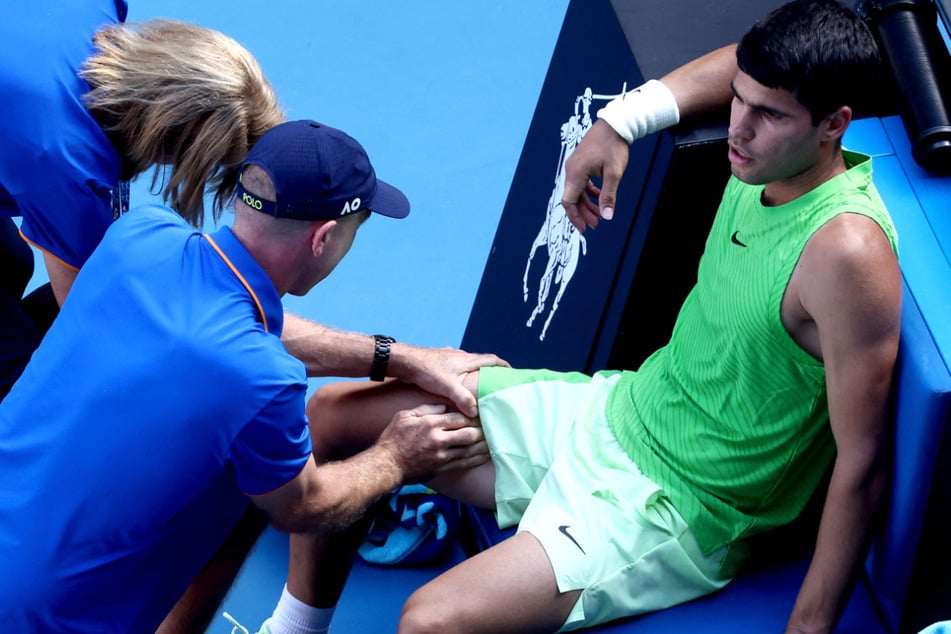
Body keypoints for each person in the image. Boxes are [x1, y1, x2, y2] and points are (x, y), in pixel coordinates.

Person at [246, 1, 902, 633]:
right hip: (614, 411)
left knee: (430, 621)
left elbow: (862, 462)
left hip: (671, 508)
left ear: (832, 124)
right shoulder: (764, 144)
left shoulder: (843, 253)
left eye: (767, 115)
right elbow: (735, 62)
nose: (737, 126)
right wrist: (617, 123)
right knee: (329, 419)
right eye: (739, 99)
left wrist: (808, 629)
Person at [0, 119, 498, 633]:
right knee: (260, 475)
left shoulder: (141, 236)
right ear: (325, 238)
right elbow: (303, 507)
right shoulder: (263, 381)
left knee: (238, 463)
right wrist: (396, 457)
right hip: (47, 621)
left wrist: (401, 357)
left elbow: (236, 332)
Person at [0, 0, 285, 399]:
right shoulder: (68, 164)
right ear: (165, 137)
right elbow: (89, 318)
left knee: (10, 260)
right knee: (16, 377)